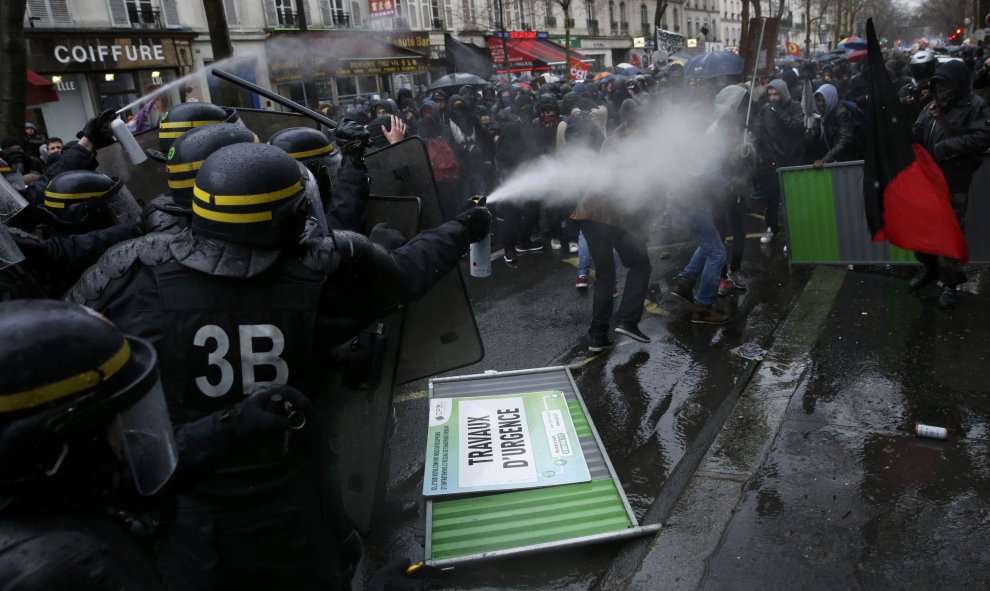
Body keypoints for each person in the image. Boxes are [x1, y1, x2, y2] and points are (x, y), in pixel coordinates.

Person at [67, 142, 490, 589]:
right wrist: (462, 228)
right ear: (289, 215)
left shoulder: (131, 274)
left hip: (187, 512)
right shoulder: (319, 278)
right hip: (293, 503)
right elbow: (407, 274)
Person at [0, 299, 177, 589]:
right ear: (65, 437)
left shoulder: (31, 503)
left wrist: (230, 426)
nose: (124, 432)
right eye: (113, 418)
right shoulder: (79, 567)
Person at [910, 60, 990, 309]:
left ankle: (950, 284)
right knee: (923, 228)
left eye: (946, 85)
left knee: (951, 233)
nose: (942, 89)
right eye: (938, 84)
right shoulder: (932, 104)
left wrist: (944, 148)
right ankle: (929, 268)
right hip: (926, 178)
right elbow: (919, 127)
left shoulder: (974, 105)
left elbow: (982, 137)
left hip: (954, 179)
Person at [754, 78, 805, 245]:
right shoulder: (766, 109)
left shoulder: (795, 107)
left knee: (791, 199)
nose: (773, 98)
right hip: (771, 161)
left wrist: (779, 112)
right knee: (771, 198)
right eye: (770, 94)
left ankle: (793, 234)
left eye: (776, 94)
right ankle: (772, 227)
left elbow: (796, 127)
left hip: (791, 159)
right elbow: (759, 132)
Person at [809, 83, 859, 168]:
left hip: (850, 161)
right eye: (818, 100)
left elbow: (844, 140)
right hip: (837, 161)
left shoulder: (842, 112)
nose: (820, 104)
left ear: (830, 99)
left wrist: (825, 160)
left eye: (823, 100)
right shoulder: (823, 115)